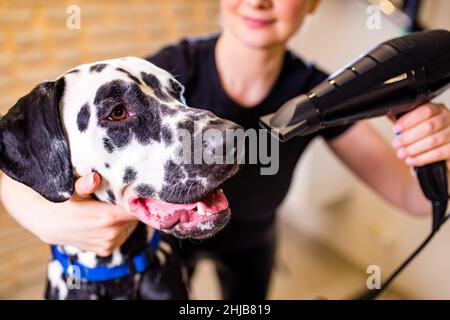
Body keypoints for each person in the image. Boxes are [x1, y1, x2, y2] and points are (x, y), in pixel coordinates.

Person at [2, 0, 450, 299]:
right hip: (170, 249)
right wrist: (45, 215)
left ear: (313, 3)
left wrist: (435, 148)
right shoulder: (158, 72)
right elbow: (22, 154)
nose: (258, 1)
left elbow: (413, 197)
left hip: (253, 241)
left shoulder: (319, 92)